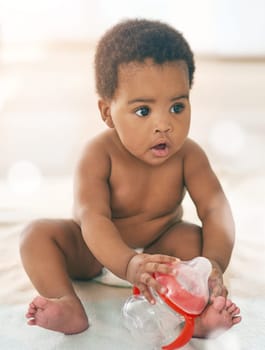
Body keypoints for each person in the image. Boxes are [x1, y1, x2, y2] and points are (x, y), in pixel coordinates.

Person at [20, 18, 241, 337]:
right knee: (36, 237)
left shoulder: (189, 156)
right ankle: (67, 304)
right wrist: (126, 264)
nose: (164, 125)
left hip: (160, 252)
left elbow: (216, 210)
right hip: (95, 253)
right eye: (143, 111)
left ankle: (197, 316)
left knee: (196, 242)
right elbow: (92, 217)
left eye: (177, 107)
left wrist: (214, 264)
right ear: (107, 112)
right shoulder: (98, 154)